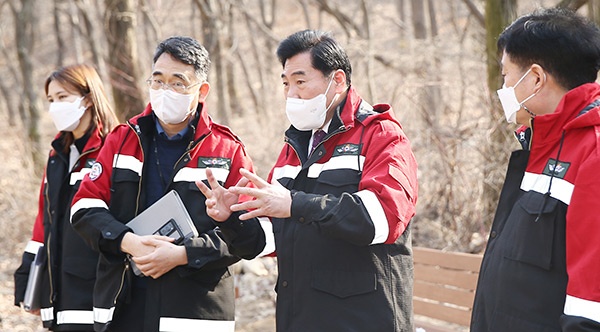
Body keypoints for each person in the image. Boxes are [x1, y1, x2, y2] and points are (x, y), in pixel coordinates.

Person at [200, 29, 418, 331]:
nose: (291, 93)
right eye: (286, 83)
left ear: (337, 80)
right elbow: (270, 237)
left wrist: (295, 204)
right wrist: (231, 219)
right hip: (299, 316)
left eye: (301, 82)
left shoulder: (380, 135)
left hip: (362, 320)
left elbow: (381, 219)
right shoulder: (294, 147)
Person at [70, 36, 266, 332]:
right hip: (124, 305)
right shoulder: (123, 139)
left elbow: (252, 239)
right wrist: (129, 242)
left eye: (178, 83)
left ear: (201, 91)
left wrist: (184, 254)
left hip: (195, 312)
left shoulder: (226, 150)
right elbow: (84, 208)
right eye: (158, 80)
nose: (165, 90)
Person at [471, 8, 600, 331]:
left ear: (537, 78)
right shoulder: (539, 143)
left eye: (506, 76)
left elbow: (590, 307)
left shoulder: (592, 153)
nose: (503, 88)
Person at [13, 64, 119, 331]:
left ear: (88, 97)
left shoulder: (113, 148)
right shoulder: (56, 155)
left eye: (63, 97)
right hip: (57, 286)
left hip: (98, 285)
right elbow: (43, 222)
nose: (55, 106)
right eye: (51, 100)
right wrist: (29, 277)